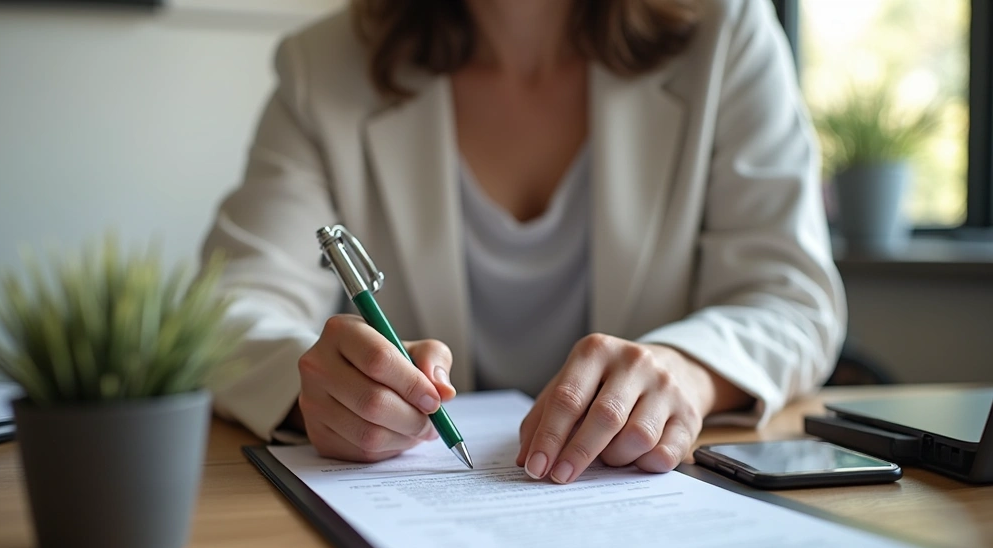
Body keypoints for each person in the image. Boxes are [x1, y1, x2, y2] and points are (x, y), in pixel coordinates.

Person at [200, 0, 846, 485]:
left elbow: (790, 296)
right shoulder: (323, 67)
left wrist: (688, 370)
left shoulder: (725, 31)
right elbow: (225, 309)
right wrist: (310, 388)